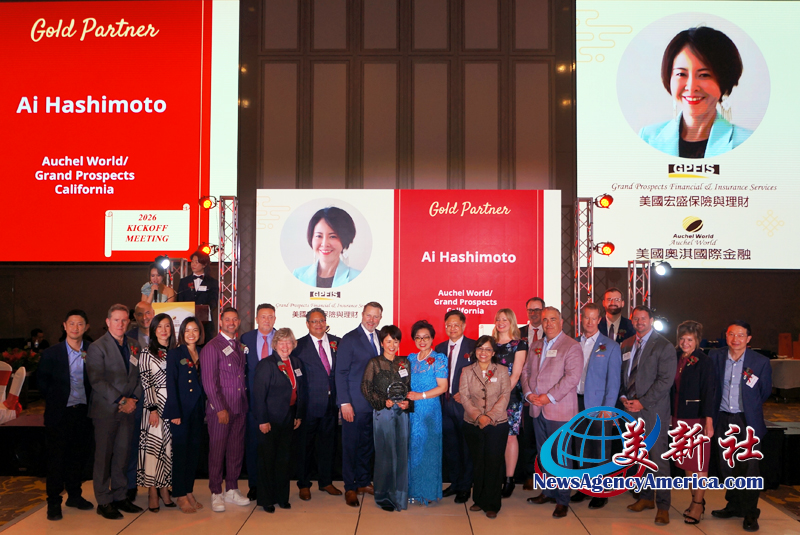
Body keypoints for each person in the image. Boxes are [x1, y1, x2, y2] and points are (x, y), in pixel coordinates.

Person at [640, 26, 752, 158]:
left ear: (724, 80)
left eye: (704, 75)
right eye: (681, 74)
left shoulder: (748, 143)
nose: (691, 87)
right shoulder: (647, 139)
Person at [709, 321, 772, 532]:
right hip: (722, 418)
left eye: (741, 335)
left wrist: (749, 408)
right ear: (726, 336)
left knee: (750, 468)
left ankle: (751, 512)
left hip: (747, 421)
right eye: (731, 334)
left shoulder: (760, 362)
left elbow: (764, 391)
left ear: (749, 338)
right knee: (727, 465)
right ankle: (734, 505)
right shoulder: (716, 356)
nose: (735, 339)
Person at [619, 306, 677, 525]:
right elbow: (622, 376)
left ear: (651, 320)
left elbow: (665, 381)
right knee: (639, 457)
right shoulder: (626, 344)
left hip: (654, 411)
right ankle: (645, 497)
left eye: (643, 318)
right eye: (636, 319)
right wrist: (623, 397)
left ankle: (663, 506)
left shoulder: (664, 346)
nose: (639, 322)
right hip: (630, 410)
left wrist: (642, 402)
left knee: (658, 459)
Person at [523, 307, 582, 518]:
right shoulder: (536, 345)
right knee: (544, 455)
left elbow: (572, 378)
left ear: (561, 322)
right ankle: (548, 492)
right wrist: (528, 394)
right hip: (537, 409)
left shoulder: (572, 345)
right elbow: (526, 372)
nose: (548, 323)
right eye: (545, 320)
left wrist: (548, 397)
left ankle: (563, 499)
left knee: (561, 457)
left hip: (560, 410)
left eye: (553, 319)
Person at [85, 304, 144, 520]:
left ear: (129, 322)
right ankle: (103, 501)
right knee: (103, 457)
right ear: (108, 322)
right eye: (116, 320)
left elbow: (139, 376)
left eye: (124, 320)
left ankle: (120, 496)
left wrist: (134, 399)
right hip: (106, 411)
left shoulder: (134, 345)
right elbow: (97, 380)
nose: (120, 324)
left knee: (122, 455)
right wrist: (121, 400)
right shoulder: (97, 347)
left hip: (128, 410)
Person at [38, 309, 94, 521]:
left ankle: (74, 496)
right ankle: (53, 502)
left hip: (83, 413)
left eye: (80, 324)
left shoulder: (91, 350)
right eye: (71, 323)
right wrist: (58, 400)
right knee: (56, 460)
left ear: (86, 327)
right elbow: (42, 384)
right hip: (59, 414)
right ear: (64, 326)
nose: (75, 328)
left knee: (77, 457)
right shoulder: (52, 353)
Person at [570, 303, 622, 509]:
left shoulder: (611, 346)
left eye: (594, 318)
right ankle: (584, 489)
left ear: (599, 320)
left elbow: (614, 382)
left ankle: (600, 492)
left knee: (600, 449)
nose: (590, 322)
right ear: (580, 319)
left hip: (600, 406)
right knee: (580, 446)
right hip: (576, 402)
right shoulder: (573, 343)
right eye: (586, 318)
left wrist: (608, 408)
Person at [200, 306, 250, 512]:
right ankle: (215, 491)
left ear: (239, 322)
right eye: (227, 319)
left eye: (235, 319)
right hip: (221, 410)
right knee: (217, 451)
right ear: (221, 322)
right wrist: (220, 408)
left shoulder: (239, 346)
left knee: (236, 451)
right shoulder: (212, 347)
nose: (231, 323)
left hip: (239, 407)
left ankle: (231, 488)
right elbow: (209, 382)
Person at [252, 328, 307, 513]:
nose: (285, 346)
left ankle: (282, 497)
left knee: (284, 459)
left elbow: (300, 391)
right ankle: (266, 499)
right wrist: (262, 420)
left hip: (289, 417)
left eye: (288, 342)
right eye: (281, 342)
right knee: (267, 459)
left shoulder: (296, 363)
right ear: (275, 345)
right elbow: (259, 395)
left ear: (293, 344)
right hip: (270, 419)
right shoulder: (266, 364)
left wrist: (298, 415)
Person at [291, 308, 343, 500]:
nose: (318, 324)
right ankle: (304, 484)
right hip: (309, 405)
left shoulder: (338, 342)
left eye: (321, 320)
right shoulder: (299, 346)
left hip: (331, 404)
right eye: (314, 321)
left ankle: (326, 481)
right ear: (307, 324)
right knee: (305, 447)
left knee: (328, 445)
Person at [335, 302, 383, 507]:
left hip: (375, 405)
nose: (372, 320)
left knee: (367, 445)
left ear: (380, 318)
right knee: (350, 446)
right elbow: (341, 372)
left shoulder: (382, 337)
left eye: (376, 316)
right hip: (354, 404)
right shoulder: (350, 339)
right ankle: (350, 486)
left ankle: (363, 481)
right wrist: (344, 402)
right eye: (368, 315)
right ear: (362, 315)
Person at [360, 325, 411, 512]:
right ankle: (384, 496)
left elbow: (409, 387)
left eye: (395, 341)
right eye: (388, 341)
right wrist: (383, 401)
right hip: (383, 414)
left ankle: (400, 496)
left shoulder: (404, 362)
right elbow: (366, 388)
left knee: (401, 453)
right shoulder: (374, 363)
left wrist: (408, 403)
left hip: (402, 414)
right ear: (382, 343)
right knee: (385, 455)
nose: (392, 345)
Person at [670, 320, 715, 525]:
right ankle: (696, 500)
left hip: (697, 417)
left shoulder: (704, 361)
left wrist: (709, 421)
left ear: (697, 340)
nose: (685, 343)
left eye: (689, 339)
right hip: (678, 415)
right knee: (686, 461)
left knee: (699, 462)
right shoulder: (676, 357)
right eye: (682, 339)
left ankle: (697, 504)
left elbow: (709, 392)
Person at [460, 335, 511, 519]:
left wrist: (489, 417)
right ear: (475, 351)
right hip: (473, 424)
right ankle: (479, 500)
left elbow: (505, 395)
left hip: (497, 424)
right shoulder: (467, 371)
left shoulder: (502, 370)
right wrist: (478, 416)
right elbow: (464, 396)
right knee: (478, 462)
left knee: (493, 463)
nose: (483, 352)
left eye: (488, 349)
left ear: (493, 353)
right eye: (480, 348)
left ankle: (492, 504)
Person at [163, 317, 206, 514]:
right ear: (181, 333)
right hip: (180, 411)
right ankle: (180, 494)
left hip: (197, 409)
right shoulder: (175, 353)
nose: (191, 334)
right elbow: (170, 384)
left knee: (193, 453)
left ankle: (189, 491)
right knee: (180, 454)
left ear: (200, 333)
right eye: (187, 330)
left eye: (195, 330)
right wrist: (174, 411)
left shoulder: (202, 352)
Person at [434, 309, 475, 503]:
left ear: (464, 325)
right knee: (451, 446)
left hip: (464, 405)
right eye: (448, 325)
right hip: (444, 404)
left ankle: (465, 486)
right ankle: (455, 483)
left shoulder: (474, 347)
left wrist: (467, 393)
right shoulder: (440, 348)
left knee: (466, 447)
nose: (452, 328)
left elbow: (482, 374)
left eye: (456, 324)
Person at [137, 313, 176, 512]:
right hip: (154, 406)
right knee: (154, 449)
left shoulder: (175, 351)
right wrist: (152, 408)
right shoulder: (146, 352)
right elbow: (146, 382)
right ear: (153, 330)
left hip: (173, 406)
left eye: (167, 326)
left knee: (167, 449)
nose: (163, 330)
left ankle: (165, 489)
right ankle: (153, 491)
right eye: (159, 326)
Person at [406, 320, 448, 504]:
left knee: (428, 451)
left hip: (429, 411)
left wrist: (420, 396)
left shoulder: (439, 359)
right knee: (413, 450)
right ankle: (413, 491)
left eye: (426, 337)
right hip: (411, 412)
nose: (422, 341)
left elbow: (443, 387)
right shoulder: (410, 359)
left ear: (432, 339)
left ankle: (428, 493)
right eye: (418, 338)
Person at [241, 303, 278, 500]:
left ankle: (272, 484)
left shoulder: (282, 339)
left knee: (274, 446)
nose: (267, 320)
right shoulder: (245, 339)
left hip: (277, 402)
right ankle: (254, 484)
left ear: (275, 319)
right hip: (252, 402)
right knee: (253, 444)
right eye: (263, 316)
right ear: (256, 319)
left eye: (270, 316)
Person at [492, 308, 527, 498]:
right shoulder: (489, 344)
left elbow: (516, 374)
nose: (501, 323)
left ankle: (509, 479)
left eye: (504, 319)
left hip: (510, 397)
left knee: (510, 436)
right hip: (489, 397)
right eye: (498, 319)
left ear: (512, 322)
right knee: (492, 436)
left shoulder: (519, 345)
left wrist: (502, 395)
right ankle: (494, 477)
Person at [292, 206, 361, 288]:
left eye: (333, 236)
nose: (324, 244)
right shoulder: (297, 275)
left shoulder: (358, 278)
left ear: (344, 239)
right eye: (319, 236)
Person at [125, 301, 152, 501]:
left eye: (148, 313)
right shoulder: (127, 338)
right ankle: (130, 485)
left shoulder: (164, 334)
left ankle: (158, 486)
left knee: (157, 444)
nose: (145, 318)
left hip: (159, 398)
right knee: (132, 443)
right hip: (135, 398)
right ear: (135, 317)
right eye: (140, 314)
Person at [518, 297, 544, 491]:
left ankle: (544, 474)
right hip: (521, 392)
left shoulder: (552, 333)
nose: (534, 313)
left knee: (543, 437)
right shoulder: (518, 333)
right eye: (530, 310)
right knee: (526, 437)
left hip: (545, 395)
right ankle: (528, 475)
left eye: (537, 310)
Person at [177, 250, 219, 336]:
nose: (193, 264)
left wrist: (201, 309)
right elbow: (179, 300)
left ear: (204, 264)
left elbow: (213, 301)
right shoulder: (184, 282)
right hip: (187, 321)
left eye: (196, 262)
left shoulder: (212, 282)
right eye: (192, 261)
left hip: (205, 323)